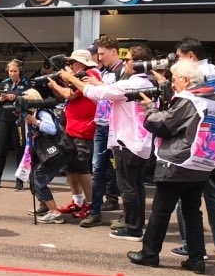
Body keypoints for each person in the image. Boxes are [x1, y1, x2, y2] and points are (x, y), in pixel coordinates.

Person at [127, 59, 215, 274]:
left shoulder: (188, 99)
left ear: (186, 80)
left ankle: (149, 254)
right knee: (192, 211)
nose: (172, 84)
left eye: (174, 80)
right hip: (202, 162)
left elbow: (162, 124)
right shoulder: (212, 99)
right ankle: (197, 258)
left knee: (161, 210)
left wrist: (150, 108)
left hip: (178, 162)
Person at [63, 45, 157, 242]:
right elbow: (105, 91)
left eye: (128, 59)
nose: (125, 62)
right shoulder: (146, 82)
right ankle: (136, 224)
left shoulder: (131, 84)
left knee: (128, 187)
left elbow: (97, 93)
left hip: (128, 142)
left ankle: (133, 229)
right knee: (136, 185)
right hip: (140, 142)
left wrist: (71, 78)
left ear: (138, 64)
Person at [168, 37, 215, 258]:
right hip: (214, 139)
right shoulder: (214, 71)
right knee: (214, 192)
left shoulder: (196, 75)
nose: (176, 62)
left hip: (195, 140)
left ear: (191, 56)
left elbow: (184, 108)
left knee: (185, 194)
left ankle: (191, 245)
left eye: (179, 57)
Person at [51, 49, 101, 218]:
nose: (70, 65)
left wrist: (54, 85)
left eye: (72, 62)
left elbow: (70, 95)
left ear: (80, 63)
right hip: (72, 129)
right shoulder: (78, 76)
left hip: (83, 130)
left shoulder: (88, 74)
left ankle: (91, 204)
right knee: (71, 167)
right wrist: (65, 81)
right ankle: (77, 201)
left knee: (81, 168)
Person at [78, 36, 122, 228]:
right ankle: (95, 212)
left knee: (121, 171)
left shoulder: (123, 71)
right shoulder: (103, 72)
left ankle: (127, 215)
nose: (99, 57)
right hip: (101, 125)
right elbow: (100, 99)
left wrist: (96, 85)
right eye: (98, 54)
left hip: (117, 127)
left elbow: (117, 94)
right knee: (97, 169)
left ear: (114, 51)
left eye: (102, 54)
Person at [22, 88, 72, 223]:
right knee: (34, 176)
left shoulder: (42, 112)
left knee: (38, 178)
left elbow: (52, 129)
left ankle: (55, 213)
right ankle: (44, 206)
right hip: (47, 152)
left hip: (57, 151)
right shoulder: (32, 114)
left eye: (25, 100)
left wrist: (35, 122)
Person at [0, 59, 28, 189]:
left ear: (20, 71)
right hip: (5, 119)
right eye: (10, 71)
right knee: (1, 150)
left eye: (15, 71)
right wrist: (1, 99)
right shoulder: (4, 83)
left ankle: (19, 181)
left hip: (19, 120)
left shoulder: (26, 83)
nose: (12, 73)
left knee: (19, 150)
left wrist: (16, 97)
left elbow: (30, 99)